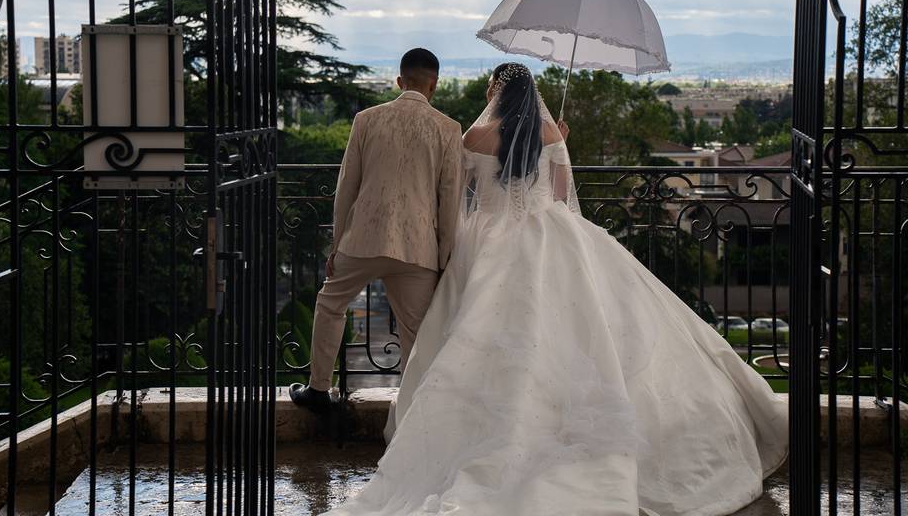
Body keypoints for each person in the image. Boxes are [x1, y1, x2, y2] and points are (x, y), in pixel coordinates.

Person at [321, 63, 789, 516]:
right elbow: (563, 198)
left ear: (498, 93)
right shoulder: (550, 137)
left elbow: (458, 193)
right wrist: (558, 142)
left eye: (489, 87)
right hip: (550, 235)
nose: (486, 94)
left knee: (472, 334)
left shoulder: (473, 138)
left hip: (486, 238)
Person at [289, 48, 464, 411]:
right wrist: (445, 257)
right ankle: (418, 407)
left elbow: (346, 188)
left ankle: (319, 390)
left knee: (330, 303)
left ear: (399, 81)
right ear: (434, 85)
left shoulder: (366, 120)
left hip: (364, 239)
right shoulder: (449, 129)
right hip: (418, 247)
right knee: (417, 331)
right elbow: (450, 202)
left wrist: (337, 245)